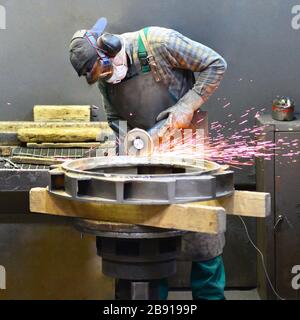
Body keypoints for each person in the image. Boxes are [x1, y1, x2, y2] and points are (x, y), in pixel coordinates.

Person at [69, 17, 227, 300]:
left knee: (204, 237)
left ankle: (210, 297)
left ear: (110, 47)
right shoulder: (107, 79)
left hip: (188, 150)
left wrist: (185, 108)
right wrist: (127, 147)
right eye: (99, 75)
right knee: (149, 240)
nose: (106, 77)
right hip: (148, 160)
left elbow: (216, 64)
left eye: (105, 68)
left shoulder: (158, 43)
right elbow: (116, 118)